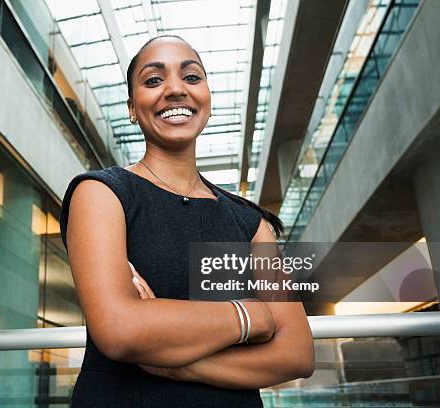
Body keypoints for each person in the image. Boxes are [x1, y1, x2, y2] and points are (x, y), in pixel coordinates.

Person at [59, 35, 314, 407]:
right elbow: (119, 330)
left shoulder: (248, 221)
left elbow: (296, 353)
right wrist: (252, 316)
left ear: (207, 100)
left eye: (192, 78)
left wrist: (173, 364)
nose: (176, 89)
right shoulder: (101, 193)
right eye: (153, 80)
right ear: (132, 108)